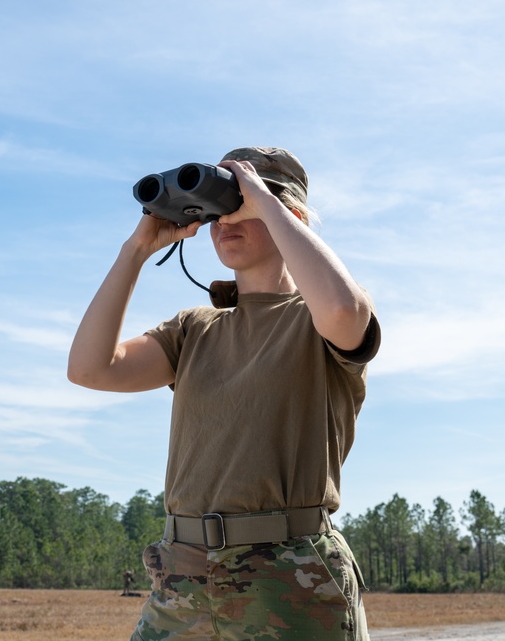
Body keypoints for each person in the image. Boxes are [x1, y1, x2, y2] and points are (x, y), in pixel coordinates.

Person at [68, 147, 381, 640]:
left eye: (241, 207)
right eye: (219, 210)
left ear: (288, 215)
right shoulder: (196, 329)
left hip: (289, 577)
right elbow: (90, 369)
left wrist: (261, 197)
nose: (225, 222)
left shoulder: (314, 319)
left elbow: (344, 313)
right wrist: (137, 248)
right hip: (182, 575)